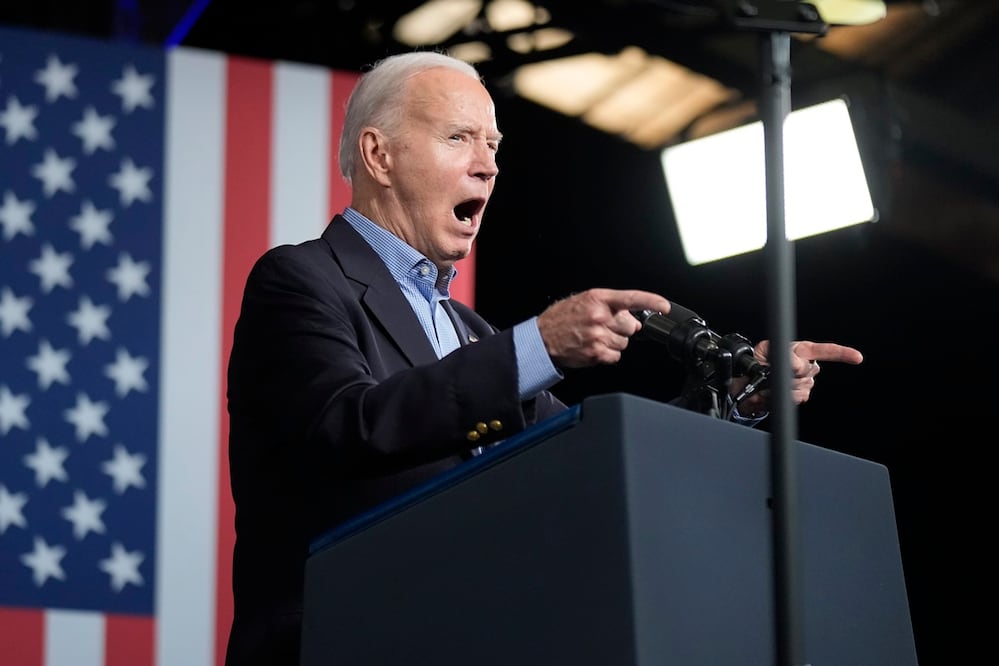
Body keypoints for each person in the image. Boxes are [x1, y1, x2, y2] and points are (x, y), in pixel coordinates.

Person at [222, 50, 864, 665]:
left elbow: (588, 463)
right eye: (459, 139)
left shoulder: (470, 331)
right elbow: (347, 429)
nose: (488, 167)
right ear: (378, 154)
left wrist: (734, 402)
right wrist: (538, 344)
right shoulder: (301, 280)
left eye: (493, 147)